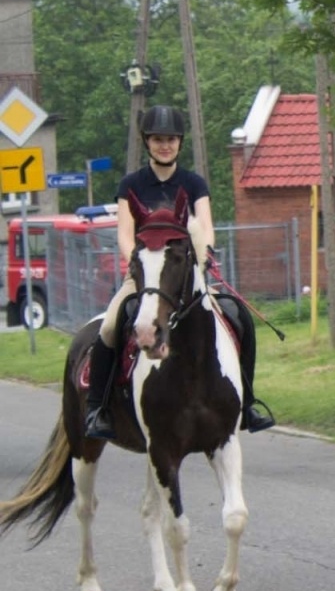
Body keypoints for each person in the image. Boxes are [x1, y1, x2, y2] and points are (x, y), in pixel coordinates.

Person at [83, 105, 275, 439]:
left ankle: (247, 405)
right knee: (111, 327)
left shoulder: (193, 182)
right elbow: (126, 236)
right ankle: (98, 408)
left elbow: (206, 226)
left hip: (188, 275)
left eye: (170, 139)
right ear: (147, 142)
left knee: (238, 316)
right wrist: (141, 269)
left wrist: (205, 254)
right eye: (158, 139)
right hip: (144, 278)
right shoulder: (131, 184)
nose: (165, 145)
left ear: (180, 142)